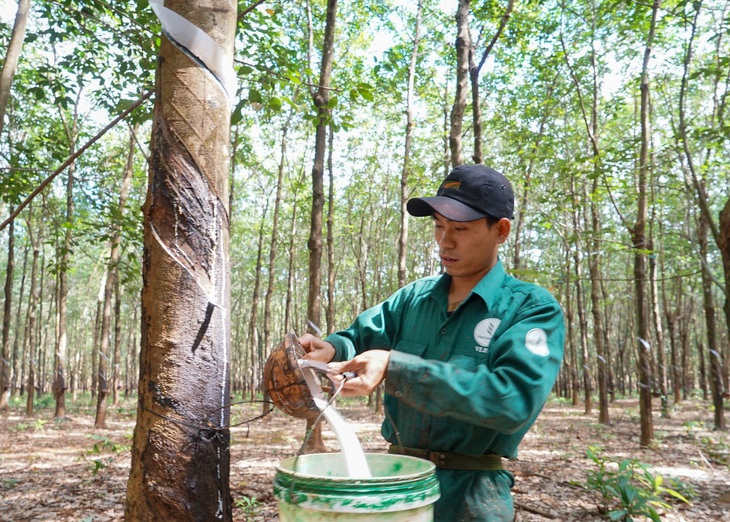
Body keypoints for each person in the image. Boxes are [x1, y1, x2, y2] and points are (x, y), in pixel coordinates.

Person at [300, 164, 565, 521]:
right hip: (398, 485)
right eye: (439, 226)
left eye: (460, 229)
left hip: (470, 496)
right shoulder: (414, 298)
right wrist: (331, 349)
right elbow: (360, 337)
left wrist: (397, 369)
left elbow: (514, 401)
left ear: (500, 230)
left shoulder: (530, 308)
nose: (445, 241)